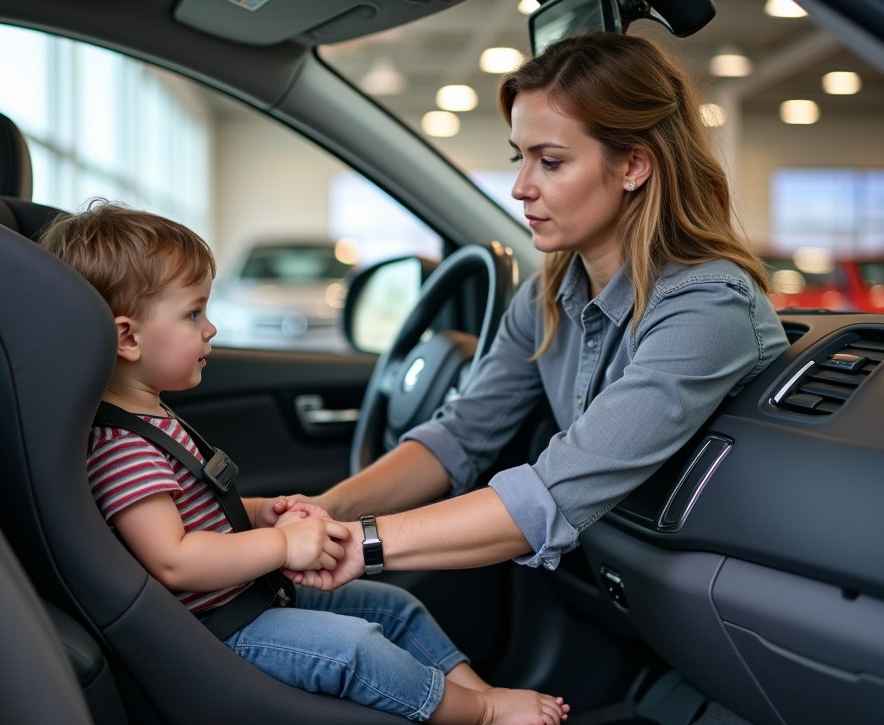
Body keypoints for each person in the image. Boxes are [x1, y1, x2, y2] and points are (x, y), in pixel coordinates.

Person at [259, 32, 790, 589]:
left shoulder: (705, 306)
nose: (519, 187)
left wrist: (362, 545)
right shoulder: (545, 296)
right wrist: (325, 509)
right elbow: (461, 436)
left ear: (634, 165)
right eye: (520, 158)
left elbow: (553, 493)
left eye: (551, 162)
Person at [39, 200, 570, 725]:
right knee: (355, 648)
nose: (212, 328)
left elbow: (190, 514)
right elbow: (174, 559)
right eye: (193, 313)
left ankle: (484, 696)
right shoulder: (121, 446)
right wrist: (285, 545)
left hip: (248, 599)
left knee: (392, 607)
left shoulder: (152, 414)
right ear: (128, 337)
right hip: (224, 631)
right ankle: (478, 716)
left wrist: (260, 513)